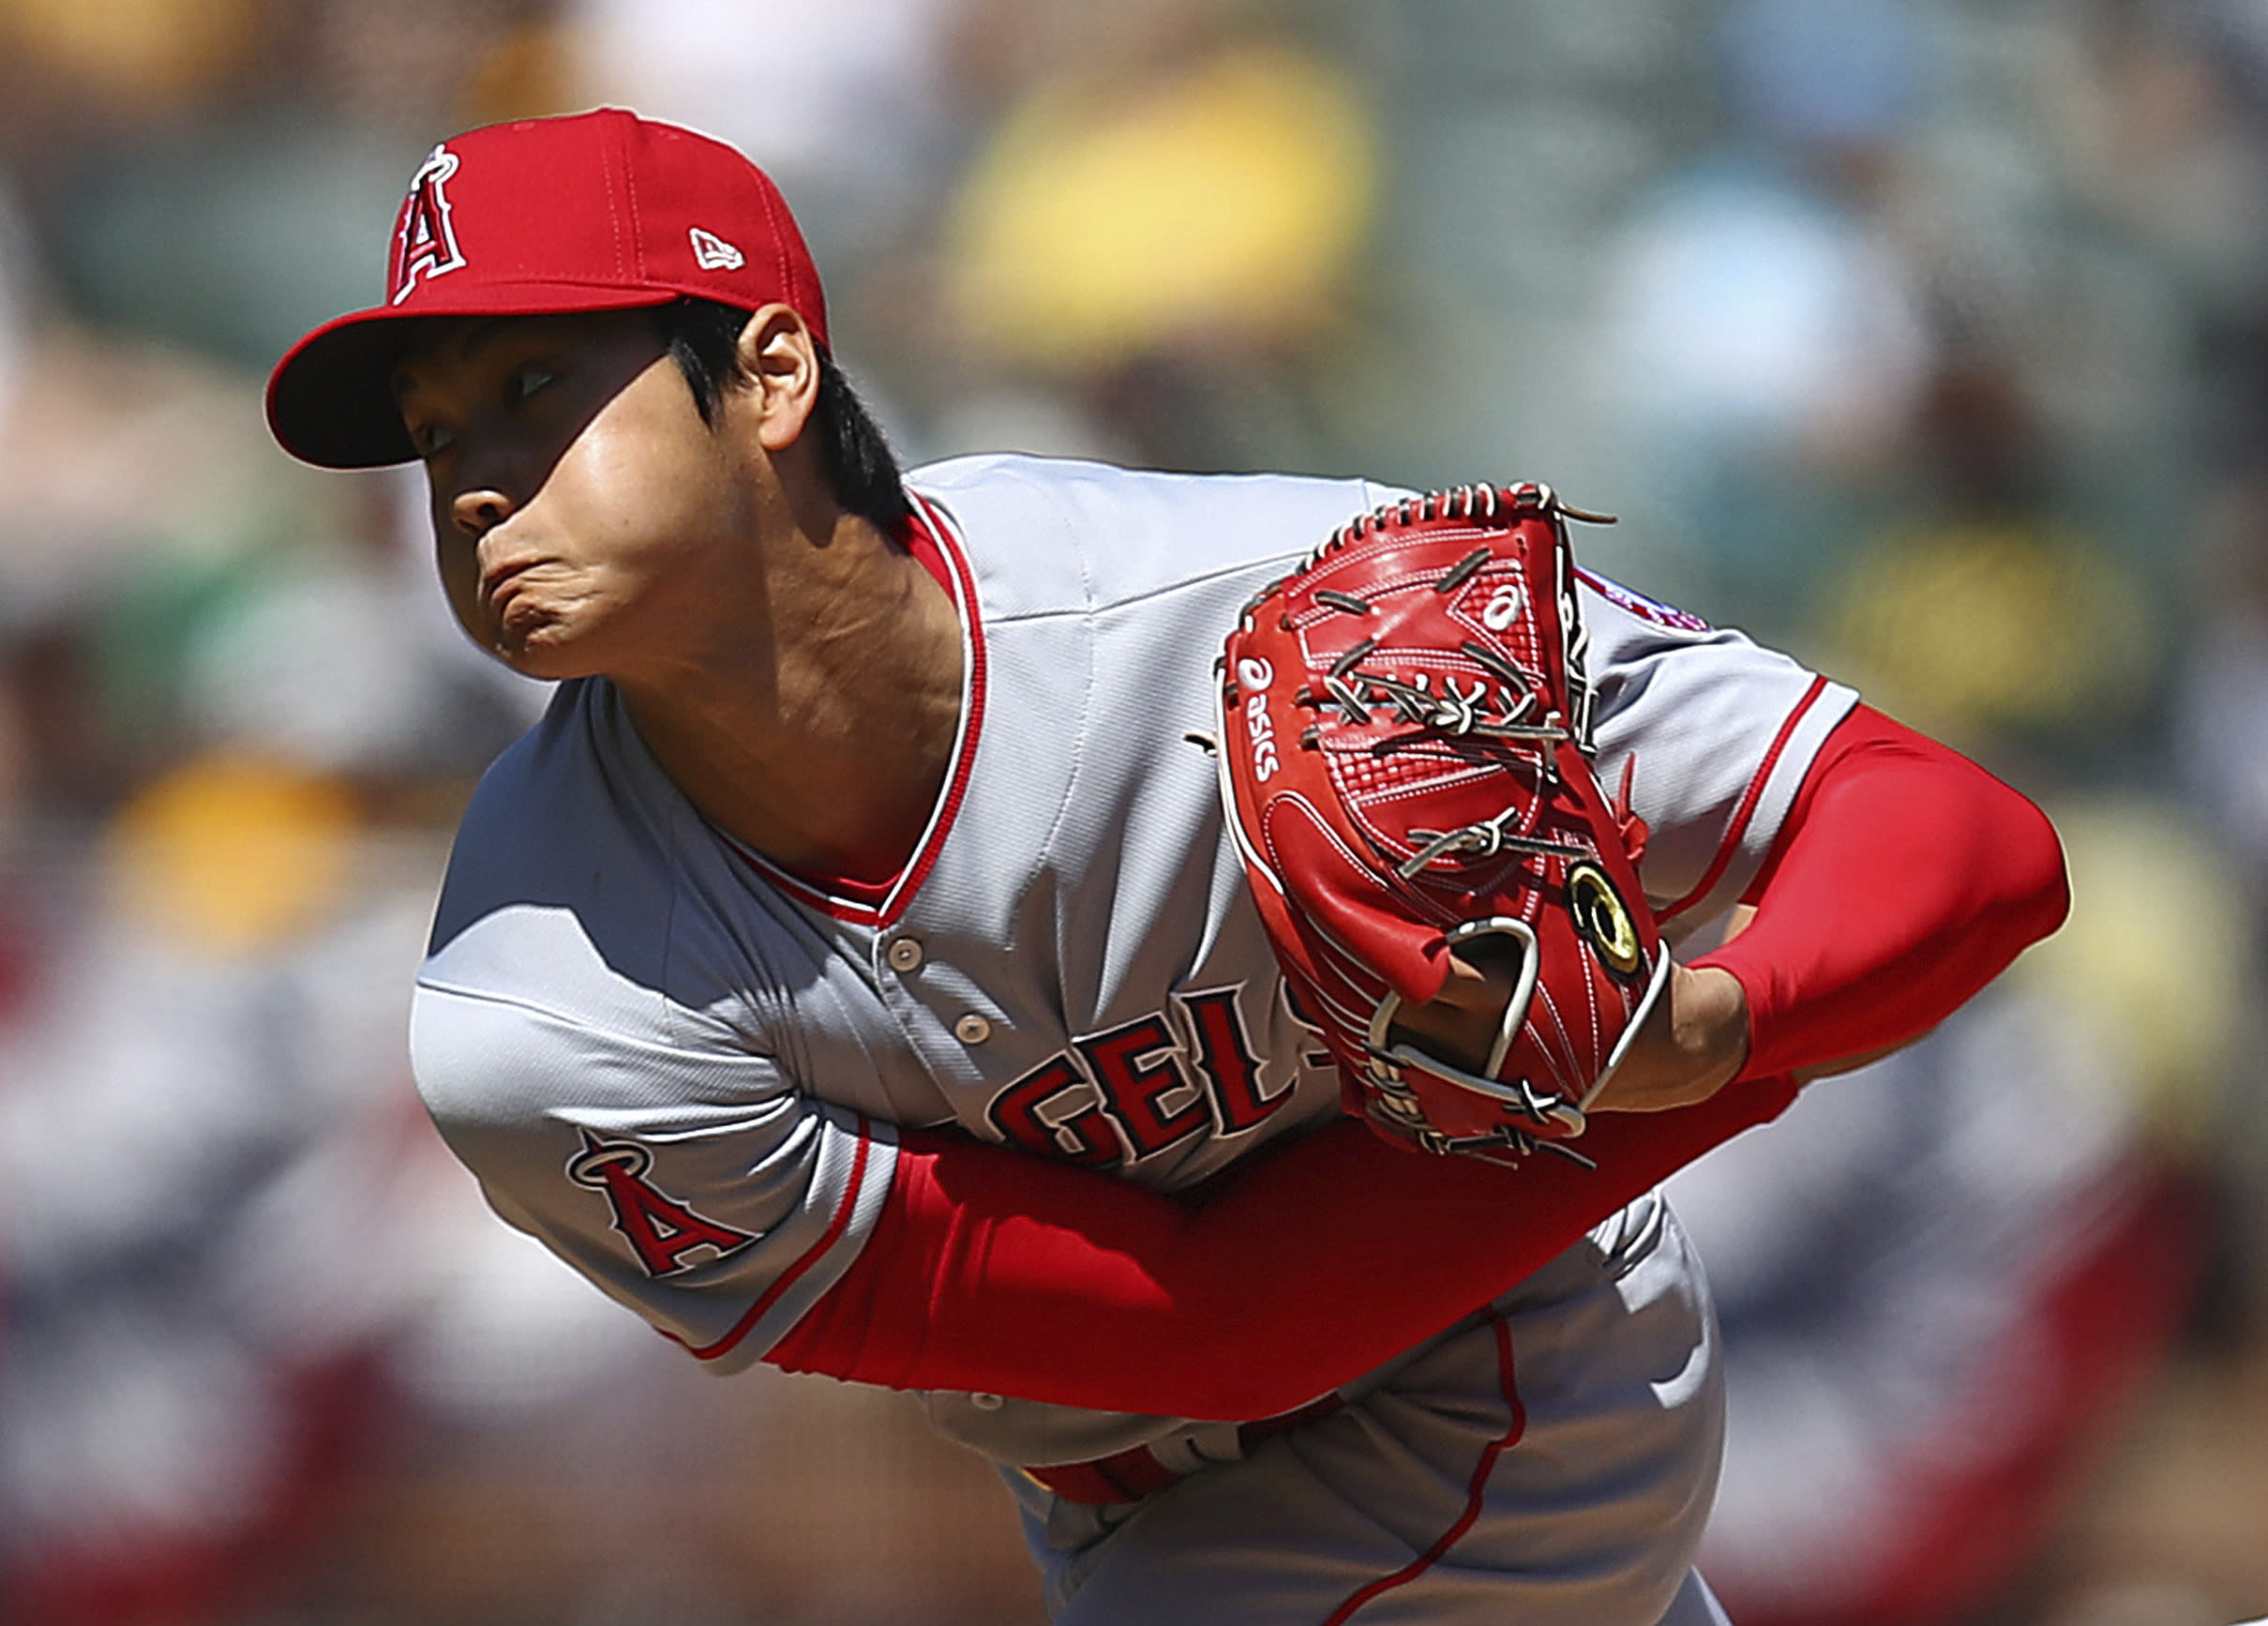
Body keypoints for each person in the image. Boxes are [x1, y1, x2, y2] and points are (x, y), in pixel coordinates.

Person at [263, 108, 2068, 1625]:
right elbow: (1209, 1335)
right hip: (1153, 1482)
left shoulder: (1239, 625)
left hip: (1508, 1352)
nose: (477, 484)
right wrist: (1697, 1088)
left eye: (528, 387)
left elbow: (1963, 835)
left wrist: (1718, 1019)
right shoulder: (534, 1008)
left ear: (773, 371)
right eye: (437, 436)